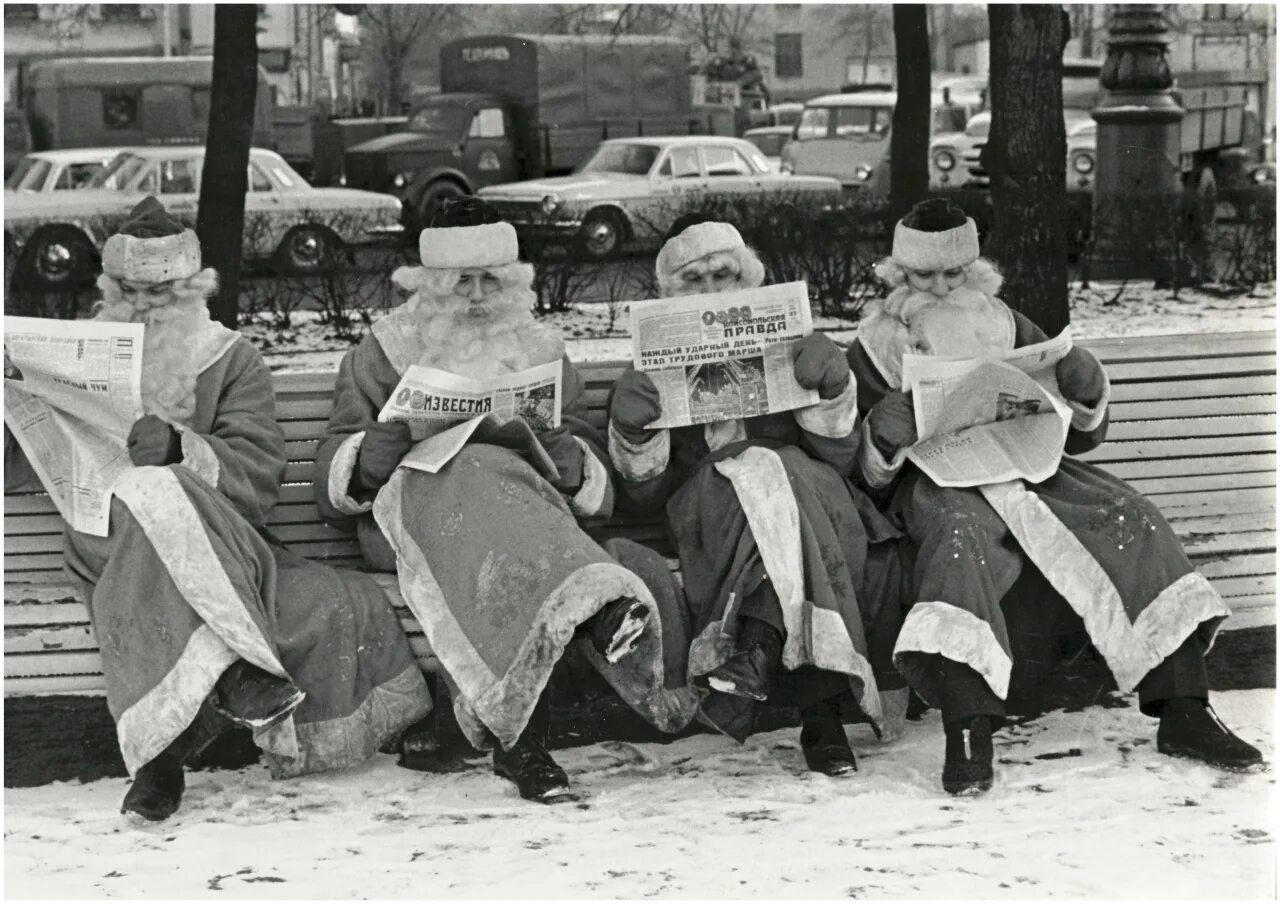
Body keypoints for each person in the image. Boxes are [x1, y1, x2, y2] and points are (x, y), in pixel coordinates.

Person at [3, 197, 433, 821]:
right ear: (108, 287)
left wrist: (182, 447)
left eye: (164, 289)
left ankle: (160, 761)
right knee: (143, 492)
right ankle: (240, 676)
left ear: (195, 285)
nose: (146, 303)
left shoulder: (231, 360)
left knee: (161, 486)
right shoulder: (73, 358)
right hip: (105, 536)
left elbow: (258, 481)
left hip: (220, 539)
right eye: (130, 288)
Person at [847, 198, 1263, 794]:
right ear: (897, 275)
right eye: (923, 276)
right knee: (961, 544)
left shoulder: (1009, 324)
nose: (940, 288)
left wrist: (1086, 391)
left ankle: (1185, 709)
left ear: (975, 269)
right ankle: (970, 727)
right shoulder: (873, 345)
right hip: (935, 481)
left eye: (954, 274)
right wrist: (879, 437)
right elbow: (858, 472)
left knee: (1131, 516)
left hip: (1033, 468)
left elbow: (1079, 429)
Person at [313, 219, 698, 803]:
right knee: (473, 474)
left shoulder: (541, 351)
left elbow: (592, 481)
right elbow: (333, 474)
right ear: (429, 284)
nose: (474, 296)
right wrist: (369, 455)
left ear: (512, 284)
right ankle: (595, 615)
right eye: (458, 282)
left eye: (489, 281)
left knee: (500, 495)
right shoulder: (385, 349)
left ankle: (522, 744)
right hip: (416, 515)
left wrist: (569, 456)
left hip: (525, 517)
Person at [607, 217, 909, 775]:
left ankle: (758, 649)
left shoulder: (788, 340)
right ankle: (822, 719)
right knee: (761, 483)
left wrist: (833, 390)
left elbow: (842, 460)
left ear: (747, 278)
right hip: (714, 506)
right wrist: (635, 432)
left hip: (809, 492)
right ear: (672, 293)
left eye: (723, 274)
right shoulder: (649, 365)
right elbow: (644, 496)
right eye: (694, 279)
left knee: (779, 477)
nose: (711, 290)